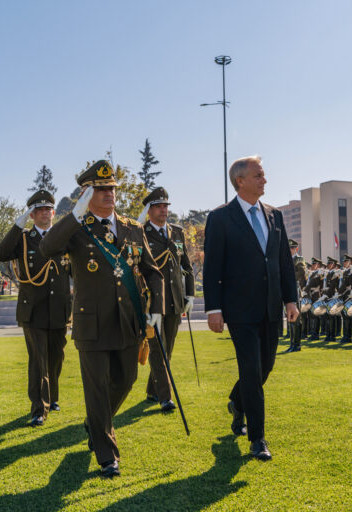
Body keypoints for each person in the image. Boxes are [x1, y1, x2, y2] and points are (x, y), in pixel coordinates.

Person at [39, 160, 163, 478]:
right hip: (91, 324)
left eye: (111, 188)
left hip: (128, 321)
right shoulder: (77, 228)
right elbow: (47, 247)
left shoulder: (132, 228)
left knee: (126, 381)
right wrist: (75, 214)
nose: (109, 193)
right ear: (86, 193)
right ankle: (107, 455)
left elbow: (151, 271)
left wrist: (157, 309)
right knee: (96, 390)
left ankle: (94, 424)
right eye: (101, 189)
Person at [203, 155, 298, 461]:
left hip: (271, 307)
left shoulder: (275, 215)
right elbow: (212, 267)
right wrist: (213, 308)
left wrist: (291, 299)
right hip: (239, 310)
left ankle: (237, 402)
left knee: (264, 367)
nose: (264, 180)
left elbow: (283, 262)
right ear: (240, 181)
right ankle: (258, 439)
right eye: (258, 175)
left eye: (263, 175)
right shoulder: (220, 218)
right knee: (251, 369)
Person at [0, 190, 72, 427]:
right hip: (33, 310)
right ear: (32, 215)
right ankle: (39, 408)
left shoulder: (64, 238)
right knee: (38, 361)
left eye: (48, 209)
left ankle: (52, 397)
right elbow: (1, 254)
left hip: (59, 308)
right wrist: (18, 225)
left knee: (56, 357)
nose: (44, 214)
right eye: (39, 210)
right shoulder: (24, 238)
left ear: (54, 212)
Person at [138, 187, 195, 411]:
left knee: (167, 350)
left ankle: (152, 390)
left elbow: (186, 266)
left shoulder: (177, 232)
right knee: (157, 349)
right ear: (149, 210)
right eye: (158, 206)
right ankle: (165, 397)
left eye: (165, 206)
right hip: (153, 302)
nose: (163, 210)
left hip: (174, 300)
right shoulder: (141, 233)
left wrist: (189, 294)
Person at [286, 240, 307, 353]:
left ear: (296, 249)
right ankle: (292, 344)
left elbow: (302, 273)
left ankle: (297, 345)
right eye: (289, 248)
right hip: (288, 289)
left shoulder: (299, 259)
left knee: (296, 318)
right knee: (290, 318)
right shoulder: (286, 259)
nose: (290, 250)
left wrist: (289, 276)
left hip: (296, 289)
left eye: (292, 248)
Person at [337, 254, 352, 343]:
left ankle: (348, 336)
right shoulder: (345, 272)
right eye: (343, 261)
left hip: (348, 296)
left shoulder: (351, 272)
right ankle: (345, 335)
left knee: (347, 316)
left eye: (345, 261)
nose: (343, 263)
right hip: (343, 296)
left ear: (350, 262)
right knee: (344, 316)